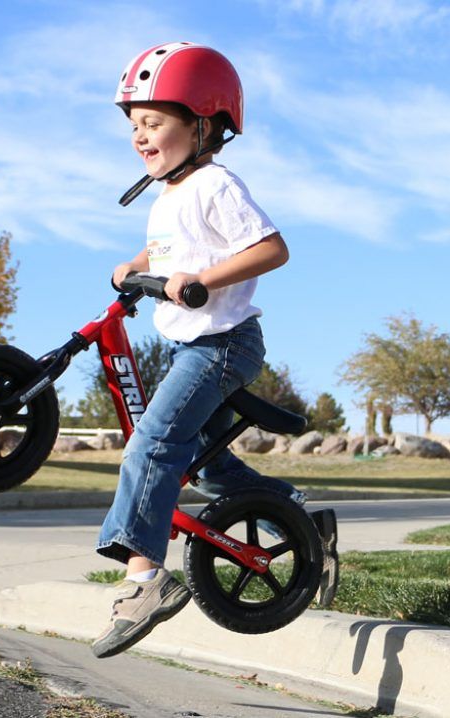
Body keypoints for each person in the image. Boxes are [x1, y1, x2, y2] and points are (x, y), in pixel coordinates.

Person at [92, 42, 337, 660]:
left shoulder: (216, 183)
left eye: (153, 123)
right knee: (214, 470)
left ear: (203, 123)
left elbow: (271, 248)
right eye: (133, 126)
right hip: (192, 348)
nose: (140, 137)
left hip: (222, 346)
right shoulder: (168, 194)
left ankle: (143, 581)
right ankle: (303, 522)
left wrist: (205, 283)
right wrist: (139, 266)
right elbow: (174, 250)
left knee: (154, 443)